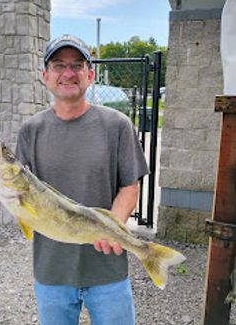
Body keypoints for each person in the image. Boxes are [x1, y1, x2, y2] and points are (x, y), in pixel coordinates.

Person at [16, 34, 149, 325]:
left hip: (107, 270)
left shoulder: (117, 126)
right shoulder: (30, 131)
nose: (67, 73)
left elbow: (129, 186)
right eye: (58, 65)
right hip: (52, 271)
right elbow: (23, 197)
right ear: (45, 76)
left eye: (77, 65)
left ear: (89, 75)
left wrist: (112, 226)